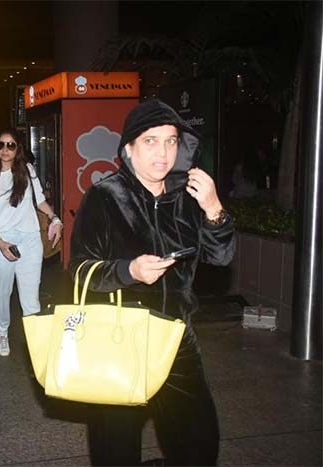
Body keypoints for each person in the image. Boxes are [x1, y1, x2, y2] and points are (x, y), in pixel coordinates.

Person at [69, 99, 235, 466]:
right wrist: (129, 271)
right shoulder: (105, 197)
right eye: (151, 140)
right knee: (116, 451)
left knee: (199, 445)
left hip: (177, 340)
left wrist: (213, 210)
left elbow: (220, 261)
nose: (163, 152)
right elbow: (79, 272)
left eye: (172, 141)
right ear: (128, 148)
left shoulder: (189, 199)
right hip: (119, 342)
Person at [0, 128, 62, 357]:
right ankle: (2, 333)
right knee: (2, 294)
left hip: (30, 239)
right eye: (1, 145)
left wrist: (55, 218)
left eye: (11, 145)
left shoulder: (27, 170)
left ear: (18, 149)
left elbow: (40, 201)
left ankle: (35, 339)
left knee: (30, 297)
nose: (5, 150)